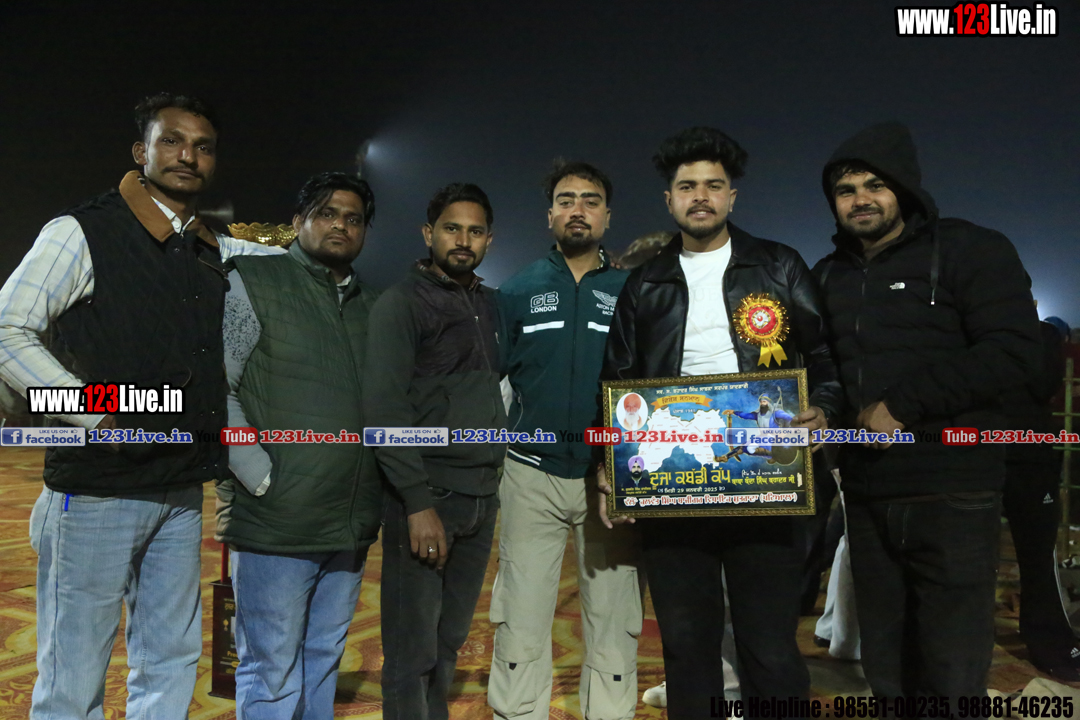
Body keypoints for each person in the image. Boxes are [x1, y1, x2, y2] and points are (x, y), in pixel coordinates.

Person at [0, 93, 282, 719]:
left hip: (180, 488)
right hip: (95, 489)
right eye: (171, 141)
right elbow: (7, 330)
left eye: (203, 146)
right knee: (74, 670)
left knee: (170, 657)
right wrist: (98, 416)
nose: (188, 155)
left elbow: (285, 262)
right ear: (141, 151)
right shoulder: (82, 231)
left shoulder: (205, 247)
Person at [598, 126, 841, 718]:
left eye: (713, 185)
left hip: (767, 482)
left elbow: (826, 357)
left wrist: (826, 408)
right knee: (687, 645)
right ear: (669, 201)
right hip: (675, 485)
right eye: (688, 186)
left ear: (732, 196)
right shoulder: (644, 282)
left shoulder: (779, 265)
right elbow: (616, 383)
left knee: (770, 643)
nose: (700, 196)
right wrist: (608, 467)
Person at [814, 122, 1040, 704]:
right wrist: (821, 409)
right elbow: (825, 367)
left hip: (953, 490)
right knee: (886, 662)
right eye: (846, 190)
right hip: (867, 494)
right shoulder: (828, 276)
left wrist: (903, 405)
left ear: (905, 189)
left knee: (952, 662)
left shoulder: (970, 249)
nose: (861, 199)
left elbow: (1015, 350)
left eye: (875, 185)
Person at [217, 172, 383, 716]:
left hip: (349, 520)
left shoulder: (373, 304)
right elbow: (218, 389)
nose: (340, 225)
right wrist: (259, 476)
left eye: (353, 218)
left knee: (323, 657)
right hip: (276, 521)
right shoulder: (254, 281)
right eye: (326, 213)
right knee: (271, 668)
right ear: (297, 222)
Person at [489, 161, 640, 720]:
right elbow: (491, 382)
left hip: (609, 479)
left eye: (591, 200)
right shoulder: (517, 290)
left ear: (608, 216)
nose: (578, 209)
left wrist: (623, 467)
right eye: (566, 199)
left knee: (614, 618)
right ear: (549, 214)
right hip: (530, 474)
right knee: (521, 615)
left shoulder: (631, 293)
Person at [364, 183, 506, 720]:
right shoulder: (401, 304)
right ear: (429, 234)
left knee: (449, 641)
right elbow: (383, 411)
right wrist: (417, 503)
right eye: (452, 228)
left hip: (480, 498)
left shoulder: (489, 305)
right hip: (428, 499)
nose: (463, 240)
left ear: (489, 239)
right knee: (412, 649)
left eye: (474, 231)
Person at [1003, 317, 1079, 679]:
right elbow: (1045, 382)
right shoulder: (1042, 335)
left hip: (975, 448)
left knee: (967, 560)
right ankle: (1051, 645)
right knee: (1038, 559)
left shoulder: (967, 326)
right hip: (1027, 453)